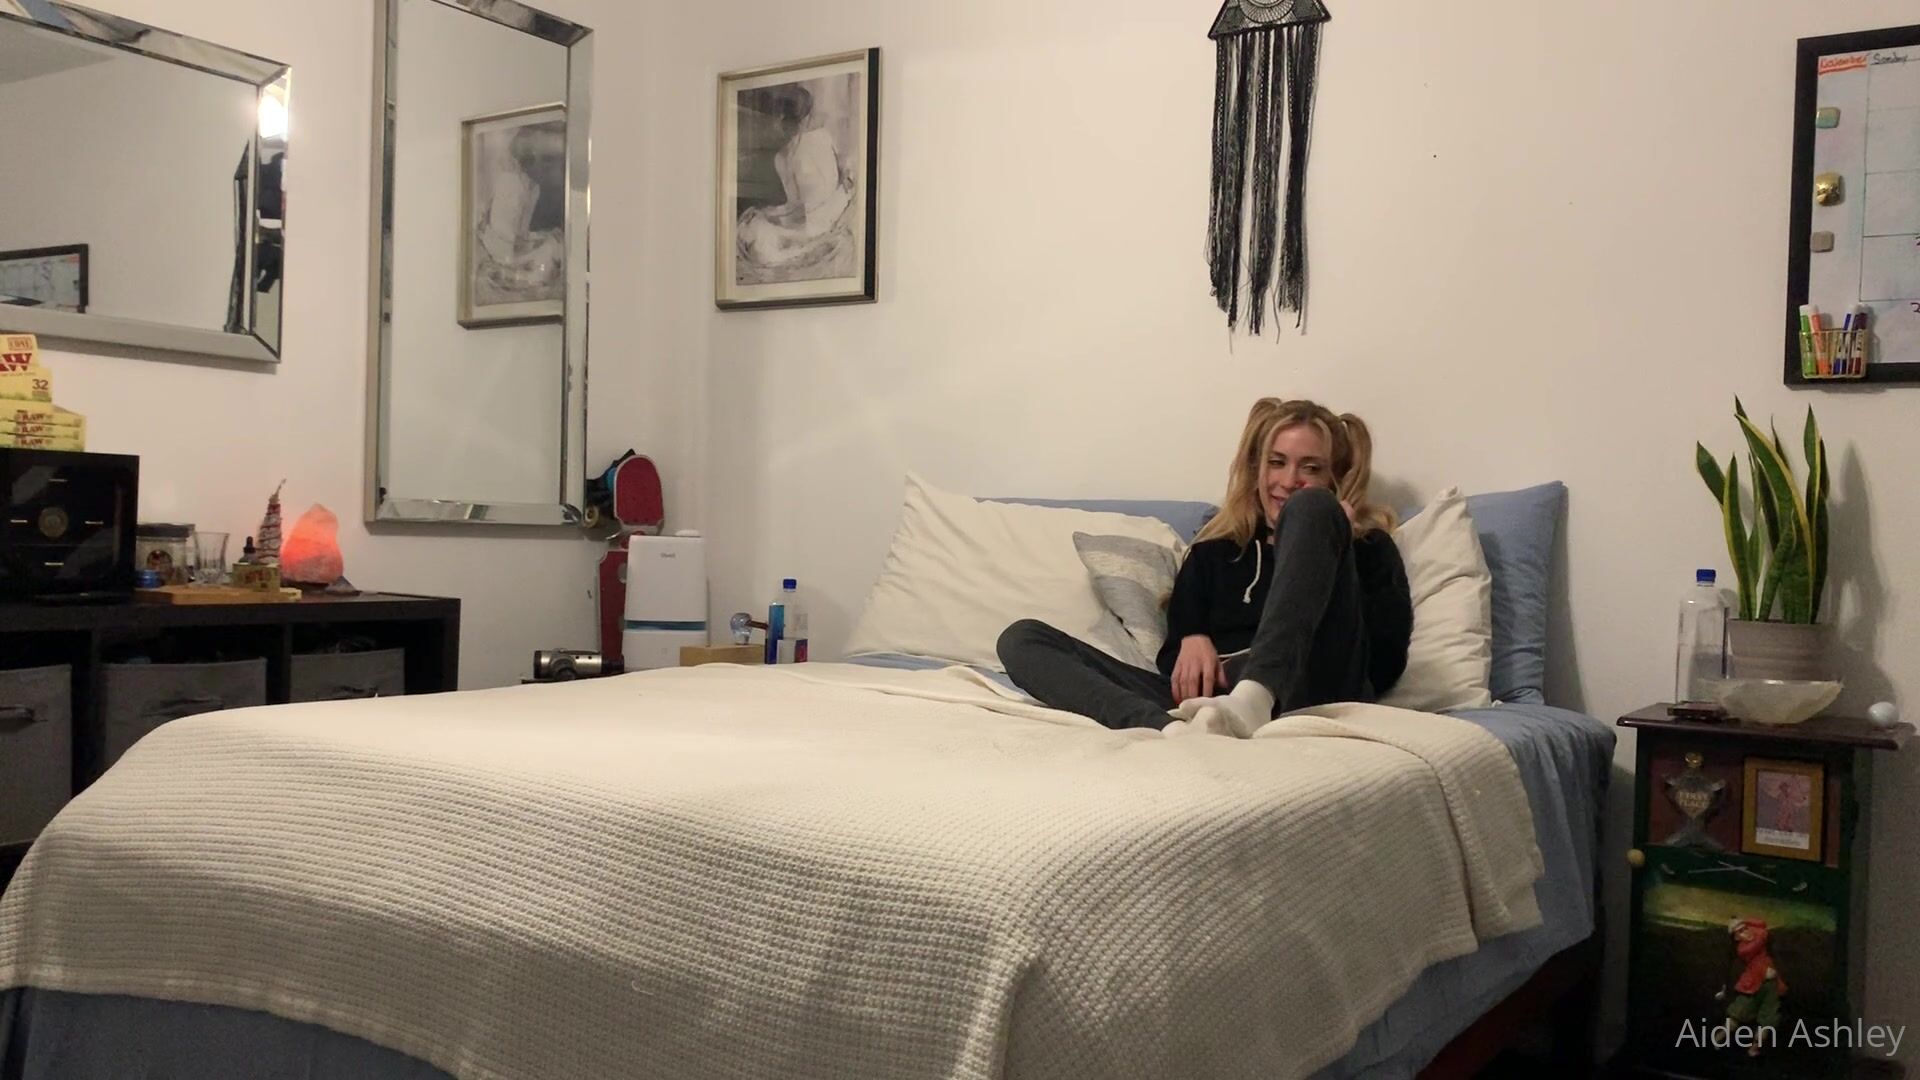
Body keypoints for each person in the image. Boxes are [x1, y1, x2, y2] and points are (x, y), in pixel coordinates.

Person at [997, 398, 1413, 737]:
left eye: (1311, 468)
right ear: (1256, 468)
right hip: (1212, 704)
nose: (1289, 481)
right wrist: (1191, 637)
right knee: (1022, 639)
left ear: (1336, 478)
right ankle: (1166, 732)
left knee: (1310, 508)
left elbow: (1385, 662)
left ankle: (1255, 698)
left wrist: (1334, 538)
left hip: (1313, 684)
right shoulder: (1215, 551)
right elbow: (1173, 663)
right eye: (1276, 462)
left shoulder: (1367, 547)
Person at [736, 83, 855, 278]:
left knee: (757, 233)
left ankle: (806, 247)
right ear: (807, 117)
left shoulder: (787, 155)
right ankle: (802, 246)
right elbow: (800, 207)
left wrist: (775, 216)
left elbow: (802, 211)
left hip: (821, 218)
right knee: (756, 228)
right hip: (828, 209)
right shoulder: (818, 139)